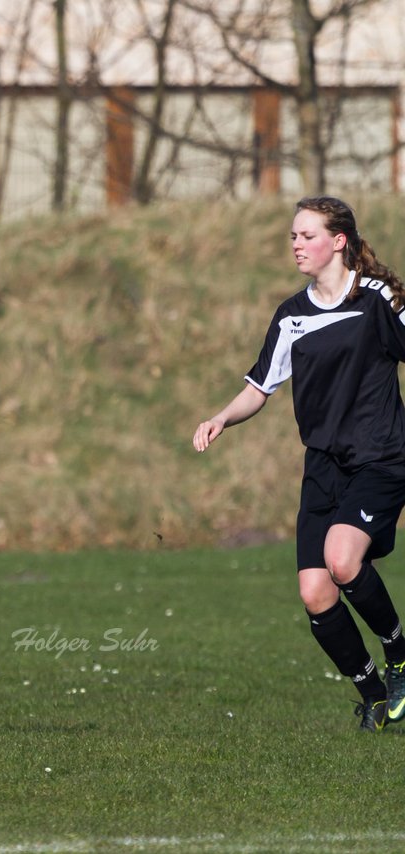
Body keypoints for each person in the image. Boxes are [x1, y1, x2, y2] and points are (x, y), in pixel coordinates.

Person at [193, 196, 405, 732]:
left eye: (306, 235)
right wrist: (221, 417)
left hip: (380, 458)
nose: (295, 244)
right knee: (315, 592)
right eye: (292, 236)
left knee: (341, 558)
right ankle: (375, 695)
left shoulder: (377, 299)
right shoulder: (292, 314)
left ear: (339, 241)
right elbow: (259, 387)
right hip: (324, 468)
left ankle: (401, 655)